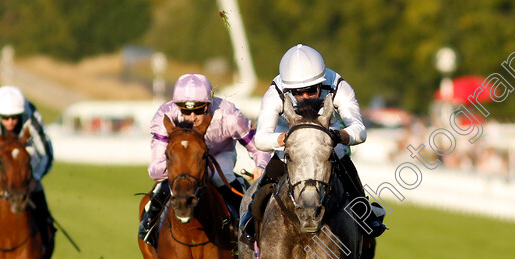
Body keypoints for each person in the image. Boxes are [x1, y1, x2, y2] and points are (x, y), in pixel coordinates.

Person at [240, 44, 386, 241]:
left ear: (321, 83)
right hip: (290, 135)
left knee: (343, 162)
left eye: (311, 91)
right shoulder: (275, 92)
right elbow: (261, 138)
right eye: (298, 92)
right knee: (273, 171)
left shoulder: (338, 86)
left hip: (327, 132)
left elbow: (359, 130)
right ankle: (252, 216)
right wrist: (284, 139)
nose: (305, 97)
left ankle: (363, 212)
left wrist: (337, 136)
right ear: (288, 88)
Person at [139, 73, 268, 246]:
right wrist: (181, 169)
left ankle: (245, 224)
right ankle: (150, 222)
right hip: (182, 162)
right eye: (185, 110)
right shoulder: (165, 115)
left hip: (219, 156)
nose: (192, 117)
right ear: (177, 107)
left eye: (198, 109)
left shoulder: (229, 115)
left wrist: (261, 165)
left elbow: (258, 145)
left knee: (216, 177)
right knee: (175, 179)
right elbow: (155, 169)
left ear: (208, 105)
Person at [0, 85, 55, 245]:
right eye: (5, 118)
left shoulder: (32, 116)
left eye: (15, 117)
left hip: (24, 159)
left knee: (44, 217)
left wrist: (34, 179)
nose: (10, 122)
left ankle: (46, 239)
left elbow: (46, 154)